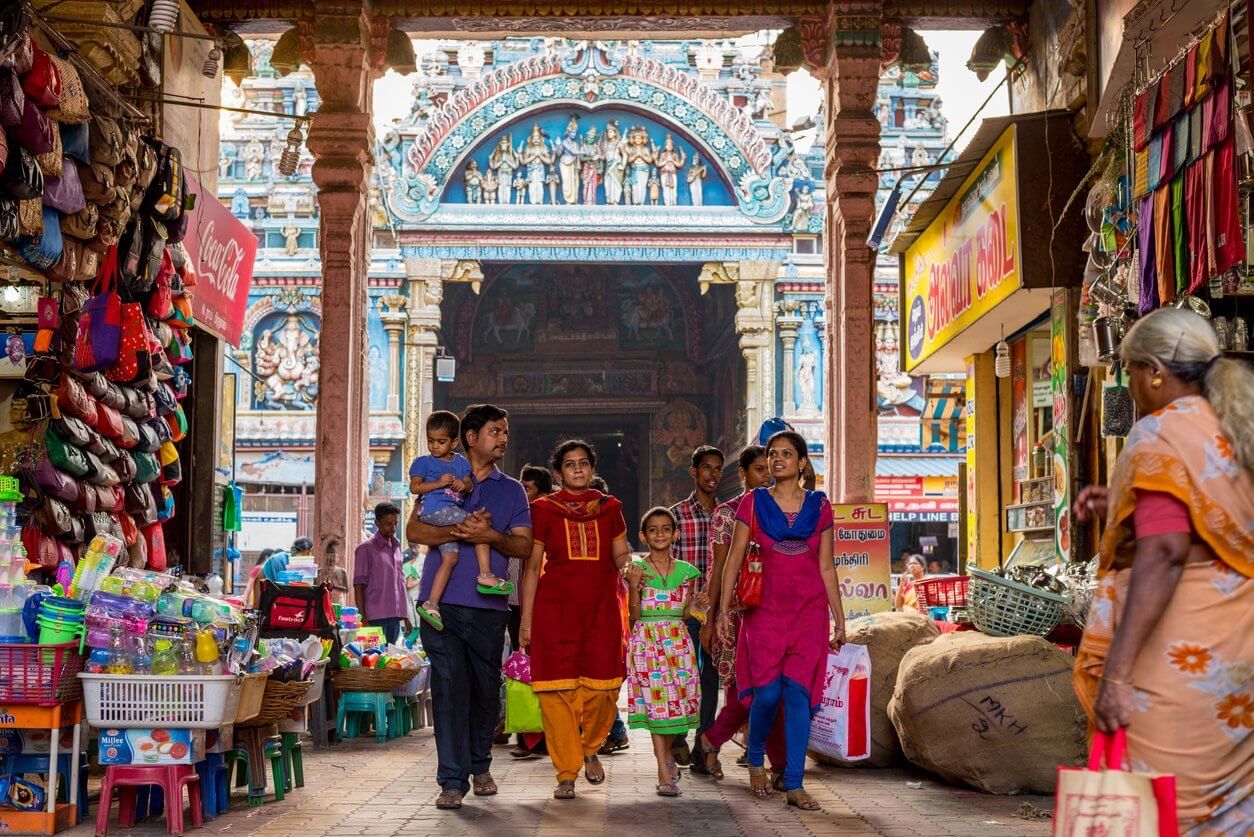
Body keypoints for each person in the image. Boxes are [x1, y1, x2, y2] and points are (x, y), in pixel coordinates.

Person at [1072, 308, 1253, 834]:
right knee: (1229, 813)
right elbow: (1207, 521)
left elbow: (1166, 552)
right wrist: (1122, 504)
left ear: (1155, 371)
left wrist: (1119, 674)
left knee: (1162, 805)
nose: (1128, 385)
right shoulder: (1232, 426)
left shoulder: (1160, 433)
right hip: (1238, 655)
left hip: (1183, 656)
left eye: (1129, 371)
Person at [407, 404, 533, 811]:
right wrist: (460, 530)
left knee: (484, 692)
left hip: (489, 608)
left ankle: (480, 763)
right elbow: (413, 529)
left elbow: (523, 546)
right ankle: (451, 780)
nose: (504, 438)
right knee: (447, 689)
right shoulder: (435, 476)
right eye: (496, 431)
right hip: (439, 607)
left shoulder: (510, 489)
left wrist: (489, 533)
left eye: (506, 432)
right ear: (472, 437)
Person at [716, 431, 845, 810]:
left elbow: (826, 566)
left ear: (802, 462)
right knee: (767, 695)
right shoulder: (753, 504)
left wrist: (840, 619)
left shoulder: (820, 507)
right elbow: (734, 560)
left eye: (786, 454)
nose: (777, 460)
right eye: (772, 454)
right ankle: (755, 758)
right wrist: (724, 611)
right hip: (765, 614)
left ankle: (794, 783)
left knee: (798, 698)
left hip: (809, 615)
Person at [520, 440, 631, 800]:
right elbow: (533, 566)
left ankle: (588, 746)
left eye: (584, 463)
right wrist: (526, 621)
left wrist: (633, 570)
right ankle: (566, 772)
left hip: (602, 612)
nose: (578, 469)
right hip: (554, 613)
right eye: (570, 464)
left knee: (605, 691)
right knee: (556, 694)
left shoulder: (610, 508)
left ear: (592, 468)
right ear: (559, 472)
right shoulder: (542, 509)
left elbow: (620, 555)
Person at [698, 445, 787, 783]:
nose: (767, 476)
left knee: (774, 693)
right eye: (760, 470)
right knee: (746, 695)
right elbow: (719, 569)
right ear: (743, 474)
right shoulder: (728, 512)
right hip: (736, 617)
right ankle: (772, 764)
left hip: (778, 613)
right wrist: (711, 619)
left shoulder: (787, 509)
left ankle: (715, 743)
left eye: (771, 469)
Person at [627, 506, 705, 797]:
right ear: (643, 536)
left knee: (680, 703)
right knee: (658, 706)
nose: (659, 534)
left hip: (678, 644)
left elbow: (686, 612)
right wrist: (634, 586)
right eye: (652, 529)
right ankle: (663, 770)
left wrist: (700, 605)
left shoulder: (686, 572)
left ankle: (669, 753)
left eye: (665, 529)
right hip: (647, 643)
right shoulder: (636, 569)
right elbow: (634, 615)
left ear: (676, 533)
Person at [411, 411, 512, 631]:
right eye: (430, 441)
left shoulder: (461, 464)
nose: (435, 447)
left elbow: (468, 485)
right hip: (435, 510)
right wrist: (438, 484)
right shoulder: (423, 463)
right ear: (471, 438)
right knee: (477, 524)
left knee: (450, 558)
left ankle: (431, 604)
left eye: (441, 442)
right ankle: (485, 575)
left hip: (448, 511)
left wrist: (460, 484)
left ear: (455, 442)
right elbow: (414, 488)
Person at [668, 445, 723, 768]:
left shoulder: (727, 515)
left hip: (714, 610)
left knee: (711, 677)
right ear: (694, 472)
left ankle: (705, 743)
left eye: (718, 469)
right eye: (707, 468)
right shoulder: (675, 515)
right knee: (680, 676)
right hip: (684, 611)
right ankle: (677, 738)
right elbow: (667, 564)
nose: (713, 474)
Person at [509, 464, 554, 761]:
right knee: (521, 667)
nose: (522, 492)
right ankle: (527, 733)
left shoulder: (543, 519)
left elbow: (536, 567)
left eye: (528, 488)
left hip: (538, 604)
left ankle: (540, 737)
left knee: (541, 670)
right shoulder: (516, 516)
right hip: (513, 602)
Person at [353, 503, 409, 645]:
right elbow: (358, 587)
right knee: (375, 661)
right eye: (388, 524)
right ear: (377, 522)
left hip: (395, 618)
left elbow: (400, 584)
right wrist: (363, 620)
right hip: (374, 619)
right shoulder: (365, 549)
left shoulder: (396, 548)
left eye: (395, 523)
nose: (393, 528)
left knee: (390, 662)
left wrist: (406, 616)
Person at [316, 539, 349, 606]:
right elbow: (315, 588)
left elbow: (346, 590)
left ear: (338, 558)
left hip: (337, 603)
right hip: (323, 603)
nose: (331, 559)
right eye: (328, 557)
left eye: (334, 557)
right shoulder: (319, 572)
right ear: (324, 556)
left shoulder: (342, 572)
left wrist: (333, 587)